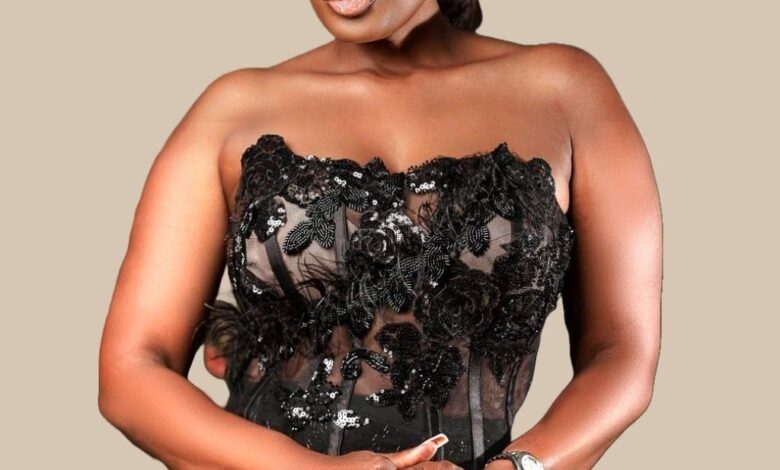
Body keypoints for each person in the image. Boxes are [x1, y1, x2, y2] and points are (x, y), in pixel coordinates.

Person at [98, 1, 662, 469]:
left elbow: (621, 352)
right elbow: (131, 371)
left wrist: (519, 468)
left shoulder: (565, 92)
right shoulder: (233, 109)